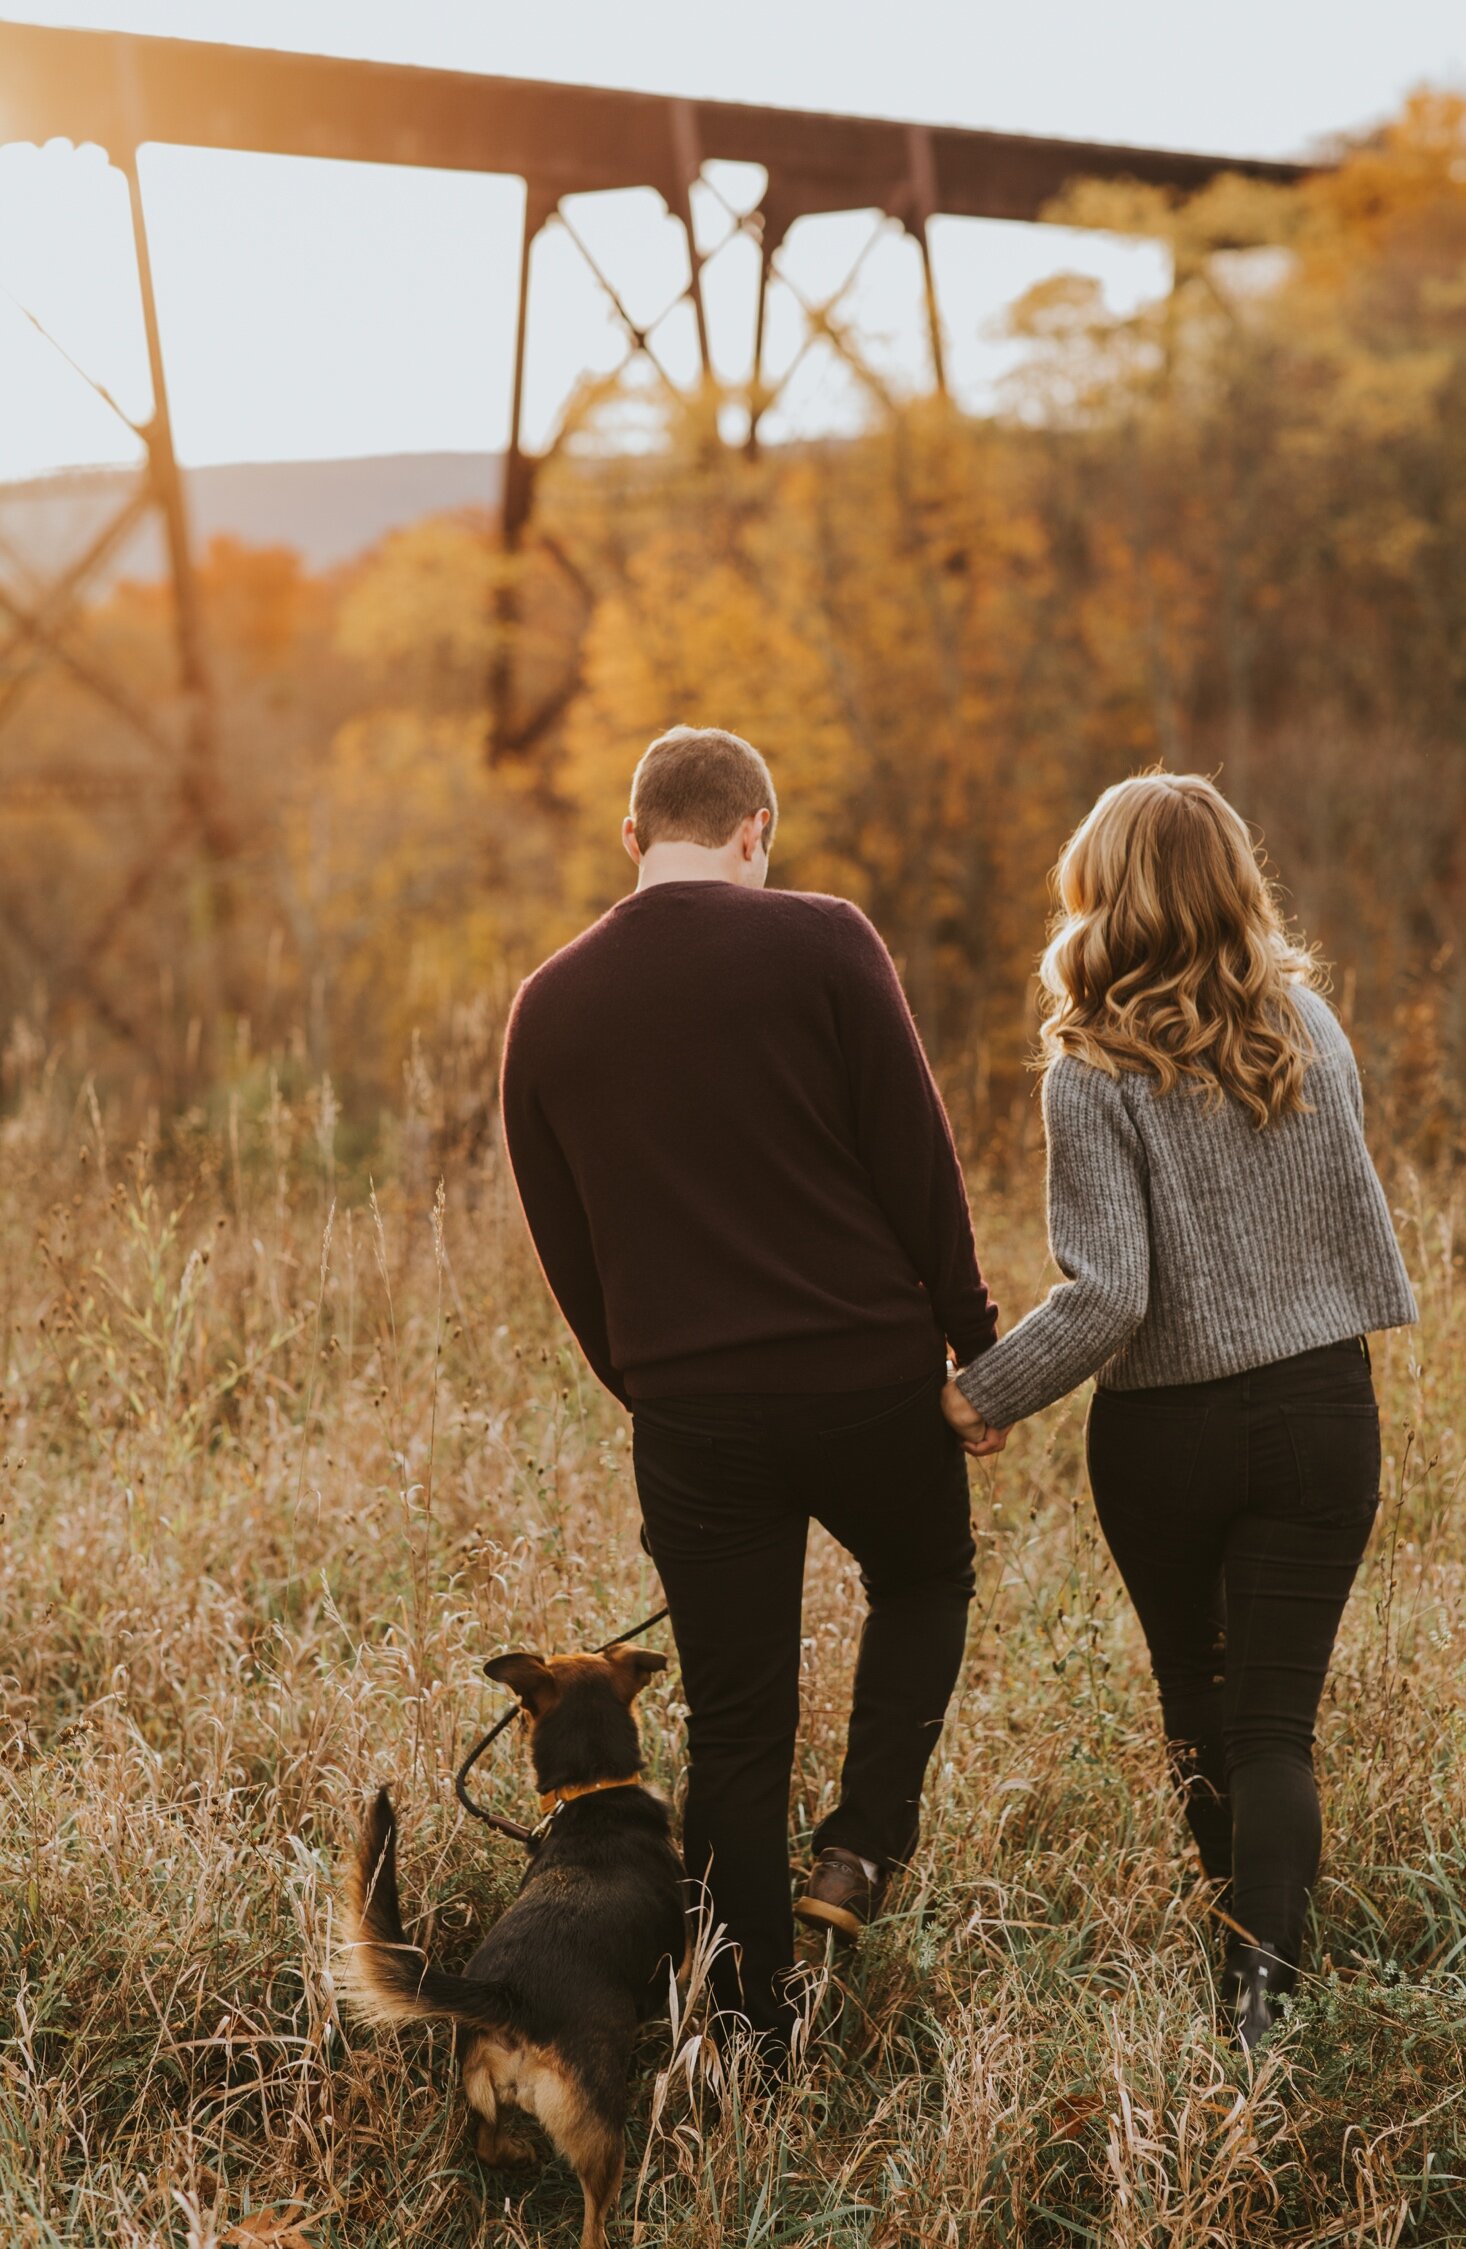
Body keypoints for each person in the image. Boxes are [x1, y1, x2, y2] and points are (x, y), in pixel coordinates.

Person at [501, 725, 996, 2055]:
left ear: (631, 838)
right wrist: (971, 1338)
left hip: (693, 1412)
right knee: (925, 1576)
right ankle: (859, 1849)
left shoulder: (548, 1003)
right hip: (864, 1375)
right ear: (755, 831)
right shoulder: (829, 939)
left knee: (733, 1728)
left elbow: (567, 1247)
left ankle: (747, 2037)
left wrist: (655, 1382)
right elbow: (918, 1157)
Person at [942, 771, 1416, 2053]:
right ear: (1232, 878)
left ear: (1102, 892)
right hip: (1322, 1408)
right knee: (1276, 1725)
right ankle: (1261, 1998)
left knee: (1200, 1704)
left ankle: (1237, 1955)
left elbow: (1110, 1296)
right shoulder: (1310, 1023)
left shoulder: (1090, 1066)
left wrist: (977, 1395)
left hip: (1169, 1435)